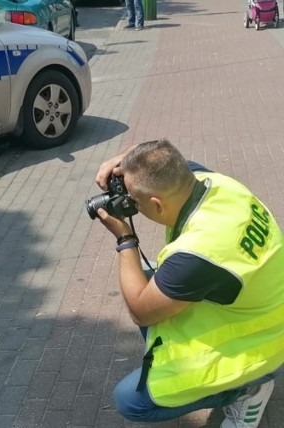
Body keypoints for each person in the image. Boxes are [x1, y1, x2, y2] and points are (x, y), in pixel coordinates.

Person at [93, 139, 284, 426]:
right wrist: (124, 161)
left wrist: (125, 239)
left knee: (130, 401)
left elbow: (140, 310)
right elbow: (160, 156)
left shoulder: (199, 251)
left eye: (134, 200)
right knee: (149, 279)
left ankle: (249, 388)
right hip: (262, 309)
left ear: (156, 205)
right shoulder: (208, 182)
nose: (130, 205)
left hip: (263, 344)